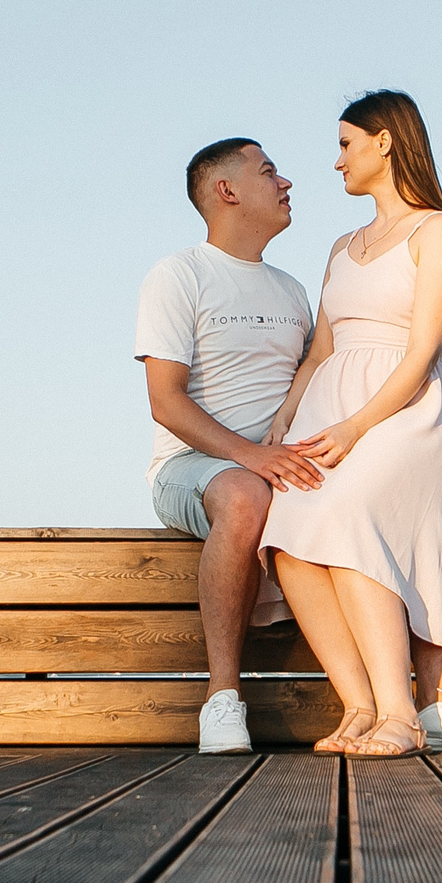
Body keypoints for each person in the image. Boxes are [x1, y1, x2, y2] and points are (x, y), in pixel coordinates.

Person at [259, 91, 442, 757]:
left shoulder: (436, 232)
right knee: (286, 534)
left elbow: (423, 348)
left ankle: (402, 717)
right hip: (328, 406)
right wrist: (286, 419)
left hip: (403, 413)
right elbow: (321, 348)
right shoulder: (342, 246)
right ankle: (359, 705)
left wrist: (355, 427)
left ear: (385, 141)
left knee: (347, 512)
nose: (336, 160)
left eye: (346, 144)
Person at [135, 138, 325, 754]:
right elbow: (166, 401)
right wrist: (252, 457)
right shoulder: (178, 274)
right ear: (227, 190)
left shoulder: (293, 290)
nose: (286, 182)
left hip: (273, 464)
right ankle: (222, 700)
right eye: (269, 171)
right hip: (193, 469)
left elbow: (309, 387)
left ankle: (413, 700)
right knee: (245, 496)